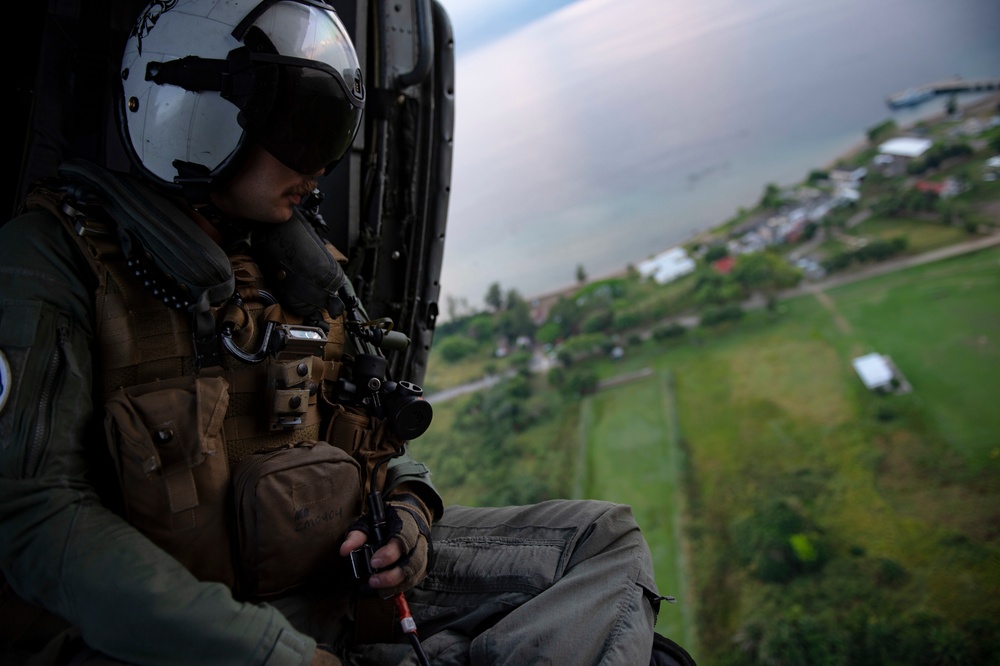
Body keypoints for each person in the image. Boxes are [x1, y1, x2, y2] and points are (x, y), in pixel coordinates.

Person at [0, 1, 686, 664]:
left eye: (334, 133)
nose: (322, 165)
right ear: (199, 120)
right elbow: (36, 522)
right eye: (303, 131)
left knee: (601, 541)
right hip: (183, 637)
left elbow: (375, 439)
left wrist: (410, 512)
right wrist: (275, 657)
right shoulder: (53, 259)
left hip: (336, 588)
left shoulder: (300, 267)